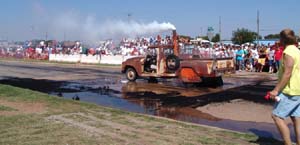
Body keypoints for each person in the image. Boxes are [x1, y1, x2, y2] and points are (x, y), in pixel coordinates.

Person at [270, 29, 300, 145]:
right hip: (298, 89)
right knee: (296, 118)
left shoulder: (288, 53)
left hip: (290, 90)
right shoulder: (297, 51)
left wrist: (276, 90)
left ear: (282, 39)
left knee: (277, 116)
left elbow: (288, 73)